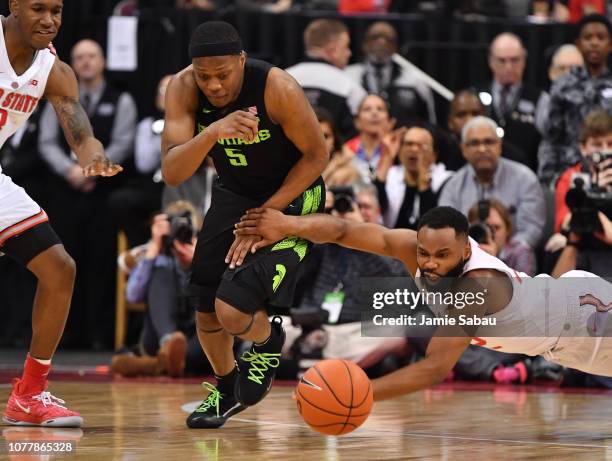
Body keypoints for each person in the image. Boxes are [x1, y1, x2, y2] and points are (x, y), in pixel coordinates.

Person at [234, 206, 612, 401]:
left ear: (466, 250)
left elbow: (433, 369)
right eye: (424, 252)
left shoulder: (476, 286)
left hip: (585, 324)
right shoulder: (417, 250)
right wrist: (288, 225)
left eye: (442, 255)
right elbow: (345, 231)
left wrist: (361, 395)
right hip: (560, 328)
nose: (429, 263)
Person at [161, 21, 328, 429]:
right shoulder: (182, 89)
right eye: (205, 76)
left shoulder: (277, 87)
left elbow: (316, 157)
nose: (214, 86)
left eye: (222, 74)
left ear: (241, 60)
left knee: (232, 310)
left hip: (292, 196)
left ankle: (267, 341)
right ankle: (226, 385)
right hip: (234, 193)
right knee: (204, 303)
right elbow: (172, 171)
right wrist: (212, 132)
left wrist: (267, 215)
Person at [0, 0, 122, 427]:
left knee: (59, 268)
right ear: (14, 6)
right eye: (38, 8)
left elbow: (81, 132)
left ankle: (29, 394)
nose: (49, 20)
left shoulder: (54, 70)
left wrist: (95, 158)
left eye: (57, 10)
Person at [438, 116, 545, 249]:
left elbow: (531, 229)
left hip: (513, 262)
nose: (482, 149)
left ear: (499, 146)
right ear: (463, 149)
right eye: (474, 143)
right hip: (466, 260)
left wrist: (501, 255)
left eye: (488, 142)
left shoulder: (525, 179)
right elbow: (445, 231)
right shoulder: (453, 186)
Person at [538, 14, 612, 184]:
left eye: (600, 37)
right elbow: (551, 137)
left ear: (610, 44)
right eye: (588, 37)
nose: (594, 43)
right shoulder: (563, 84)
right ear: (578, 43)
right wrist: (548, 178)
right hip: (570, 170)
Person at [286, 19, 366, 138]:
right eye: (346, 47)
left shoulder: (282, 78)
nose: (349, 53)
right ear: (333, 51)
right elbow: (359, 134)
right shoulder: (348, 86)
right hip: (334, 155)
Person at [345, 21, 436, 126]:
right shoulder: (348, 76)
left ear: (396, 47)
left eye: (388, 39)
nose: (382, 42)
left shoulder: (415, 81)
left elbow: (430, 123)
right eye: (375, 37)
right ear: (364, 44)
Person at [476, 32, 544, 172]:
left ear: (524, 61)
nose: (509, 67)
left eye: (514, 60)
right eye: (502, 60)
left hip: (526, 177)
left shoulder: (540, 99)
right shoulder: (475, 96)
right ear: (491, 61)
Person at [374, 125, 453, 229]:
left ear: (434, 154)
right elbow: (375, 208)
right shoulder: (390, 175)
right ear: (400, 150)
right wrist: (387, 158)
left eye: (421, 145)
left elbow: (434, 225)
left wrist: (424, 180)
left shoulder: (447, 180)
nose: (414, 149)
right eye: (408, 144)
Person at [467, 199, 536, 276]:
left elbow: (524, 287)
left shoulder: (520, 253)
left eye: (496, 228)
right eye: (483, 227)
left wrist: (492, 262)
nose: (489, 233)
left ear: (508, 229)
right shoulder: (463, 252)